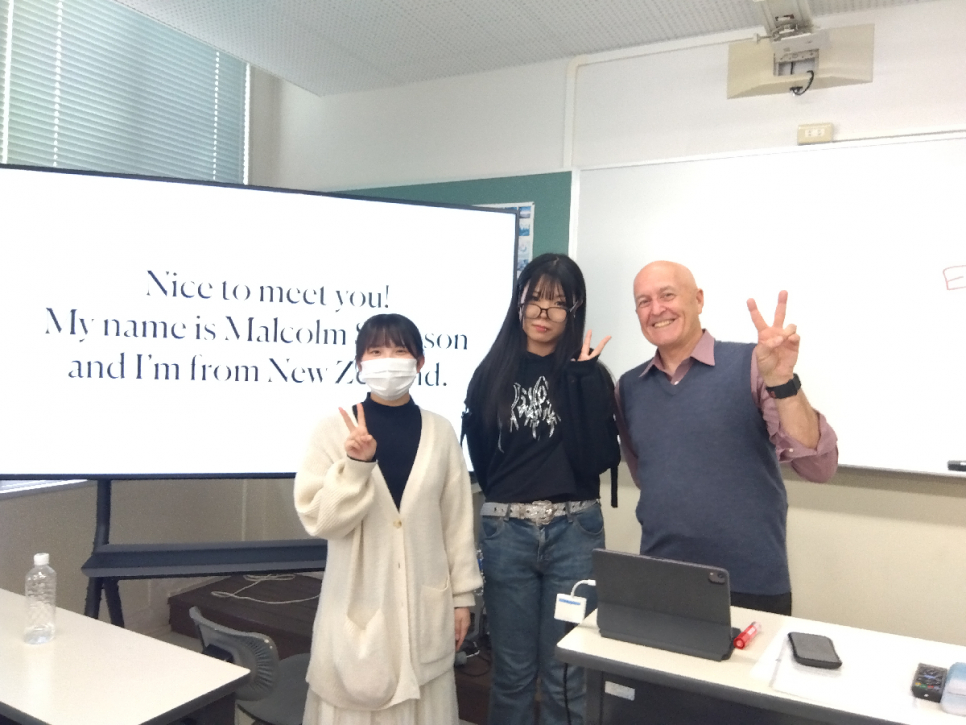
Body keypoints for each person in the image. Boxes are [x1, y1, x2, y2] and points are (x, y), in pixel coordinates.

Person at [616, 261, 838, 615]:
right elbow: (649, 477)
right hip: (661, 578)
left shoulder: (753, 365)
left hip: (749, 583)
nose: (656, 309)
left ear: (698, 300)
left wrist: (782, 381)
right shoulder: (629, 387)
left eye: (667, 295)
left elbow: (818, 467)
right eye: (644, 301)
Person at [294, 313, 481, 725]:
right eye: (376, 351)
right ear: (359, 363)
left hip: (425, 605)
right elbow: (320, 520)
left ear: (420, 362)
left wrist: (462, 598)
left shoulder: (441, 432)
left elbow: (456, 522)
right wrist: (356, 467)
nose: (388, 361)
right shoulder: (331, 431)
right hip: (356, 605)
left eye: (399, 350)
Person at [462, 253, 620, 725]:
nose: (544, 313)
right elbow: (485, 461)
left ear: (575, 310)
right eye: (535, 300)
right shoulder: (491, 373)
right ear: (519, 305)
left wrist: (582, 383)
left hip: (575, 532)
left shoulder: (591, 374)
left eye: (558, 303)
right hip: (506, 532)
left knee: (566, 672)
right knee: (512, 673)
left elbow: (597, 459)